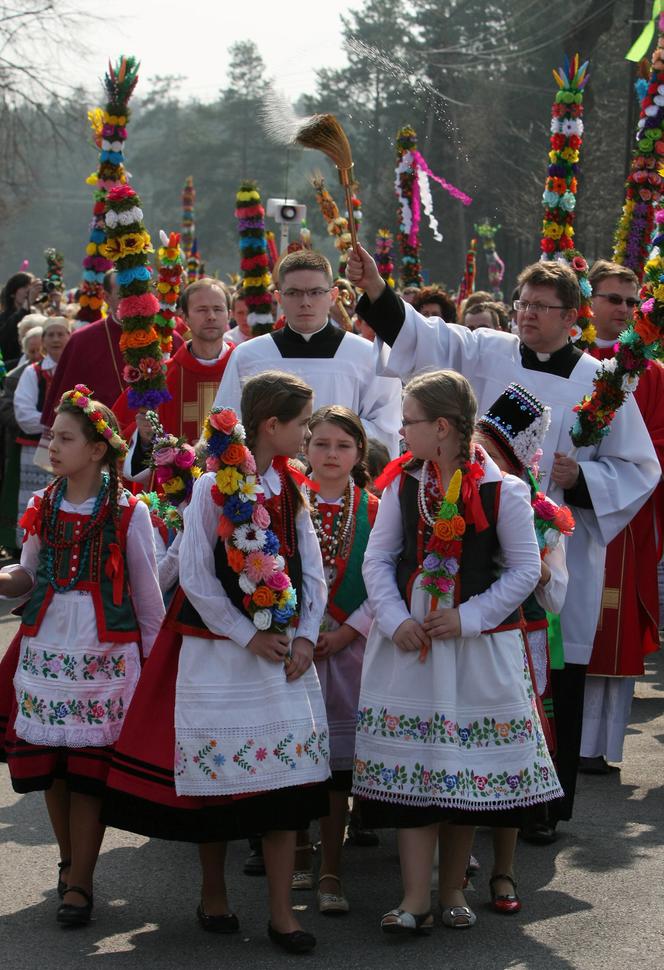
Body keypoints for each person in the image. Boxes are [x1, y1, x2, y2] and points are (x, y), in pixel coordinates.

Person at [347, 245, 659, 838]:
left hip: (553, 542)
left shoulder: (602, 382)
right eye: (522, 303)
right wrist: (378, 292)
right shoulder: (484, 350)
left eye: (542, 306)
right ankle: (461, 790)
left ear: (574, 316)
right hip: (468, 534)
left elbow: (639, 468)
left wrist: (583, 477)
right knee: (483, 663)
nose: (526, 314)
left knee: (552, 675)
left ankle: (540, 809)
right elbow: (422, 338)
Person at [102, 371, 330, 954]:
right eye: (302, 423)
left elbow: (311, 568)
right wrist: (243, 635)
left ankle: (282, 914)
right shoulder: (212, 487)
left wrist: (304, 636)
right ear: (271, 425)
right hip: (219, 651)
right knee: (216, 784)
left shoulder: (292, 482)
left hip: (283, 654)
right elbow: (199, 576)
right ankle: (213, 894)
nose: (307, 434)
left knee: (286, 788)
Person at [352, 370, 561, 934]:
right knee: (416, 775)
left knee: (462, 772)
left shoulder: (503, 490)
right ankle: (415, 896)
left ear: (441, 427)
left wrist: (467, 618)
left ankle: (451, 891)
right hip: (411, 647)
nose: (401, 431)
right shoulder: (403, 484)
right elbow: (377, 559)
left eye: (410, 421)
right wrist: (396, 620)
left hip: (473, 648)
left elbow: (523, 571)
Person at [0, 386, 164, 926]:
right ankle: (69, 860)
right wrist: (5, 580)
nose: (52, 445)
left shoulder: (127, 511)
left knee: (90, 770)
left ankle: (81, 882)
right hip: (48, 648)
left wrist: (153, 672)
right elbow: (28, 572)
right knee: (52, 767)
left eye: (64, 438)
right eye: (51, 436)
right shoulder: (42, 504)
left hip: (104, 654)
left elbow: (147, 600)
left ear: (96, 450)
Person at [474, 382, 571, 909]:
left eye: (490, 453)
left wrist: (533, 576)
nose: (480, 460)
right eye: (476, 449)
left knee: (512, 744)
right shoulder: (454, 494)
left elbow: (555, 594)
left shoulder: (540, 513)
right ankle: (460, 852)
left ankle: (503, 870)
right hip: (468, 636)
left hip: (520, 638)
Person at [580, 260, 664, 773]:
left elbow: (657, 442)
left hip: (626, 515)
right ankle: (569, 741)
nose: (624, 311)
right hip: (571, 511)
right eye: (613, 299)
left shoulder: (652, 374)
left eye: (633, 303)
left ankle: (603, 747)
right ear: (589, 302)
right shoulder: (575, 360)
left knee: (616, 627)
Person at [297, 405, 379, 914]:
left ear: (359, 454)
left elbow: (386, 580)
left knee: (336, 770)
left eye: (343, 446)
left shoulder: (375, 507)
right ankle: (297, 848)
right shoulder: (282, 501)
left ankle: (331, 865)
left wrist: (349, 630)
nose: (331, 454)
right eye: (321, 444)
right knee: (295, 755)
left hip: (350, 650)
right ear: (305, 448)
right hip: (294, 648)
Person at [215, 250, 402, 457]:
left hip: (345, 481)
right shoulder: (249, 356)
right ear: (279, 298)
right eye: (294, 293)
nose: (305, 302)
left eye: (315, 292)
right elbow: (228, 424)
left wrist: (326, 440)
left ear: (333, 296)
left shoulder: (368, 356)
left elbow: (387, 429)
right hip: (268, 481)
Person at [113, 278, 233, 484]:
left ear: (228, 315)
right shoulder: (160, 378)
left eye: (218, 309)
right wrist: (143, 437)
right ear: (184, 317)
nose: (211, 316)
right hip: (173, 496)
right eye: (202, 310)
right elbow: (118, 436)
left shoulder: (244, 369)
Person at [13, 317, 71, 543]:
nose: (56, 339)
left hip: (73, 450)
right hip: (34, 450)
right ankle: (29, 550)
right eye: (50, 334)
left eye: (61, 333)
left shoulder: (77, 368)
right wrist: (63, 428)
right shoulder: (33, 372)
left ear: (70, 337)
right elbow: (24, 415)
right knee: (35, 501)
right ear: (43, 341)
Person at [0, 272, 42, 365]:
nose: (29, 291)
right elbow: (5, 337)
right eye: (25, 287)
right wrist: (27, 304)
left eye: (31, 287)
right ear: (12, 294)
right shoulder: (3, 318)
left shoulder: (38, 313)